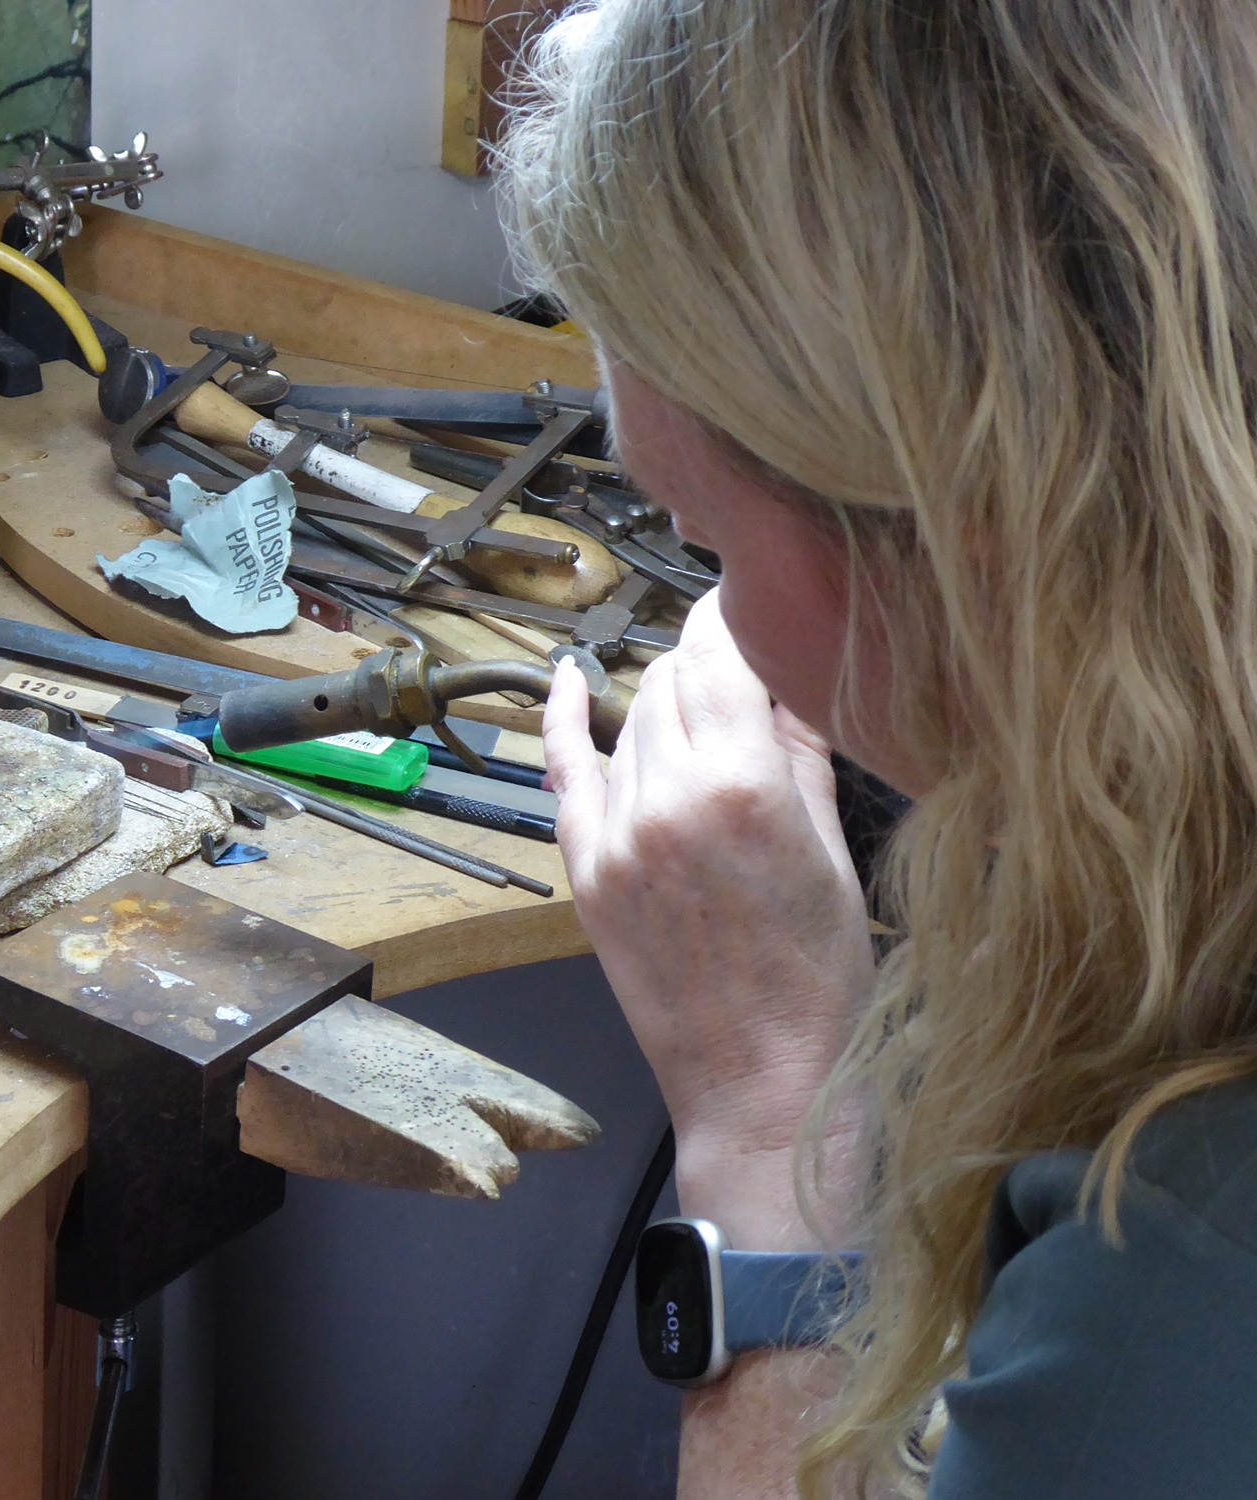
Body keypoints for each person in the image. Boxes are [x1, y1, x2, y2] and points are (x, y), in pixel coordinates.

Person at [500, 1, 1257, 1495]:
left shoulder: (1184, 1252)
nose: (709, 613)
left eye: (702, 534)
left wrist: (769, 1119)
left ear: (966, 545)